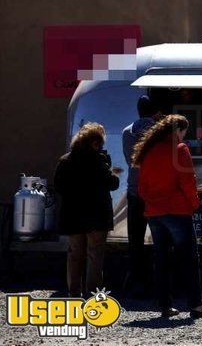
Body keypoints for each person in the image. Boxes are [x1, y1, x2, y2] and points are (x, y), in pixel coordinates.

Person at [132, 114, 202, 318]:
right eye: (183, 132)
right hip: (177, 210)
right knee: (189, 259)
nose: (184, 136)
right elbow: (187, 180)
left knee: (161, 259)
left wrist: (151, 203)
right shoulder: (180, 150)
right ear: (177, 131)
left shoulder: (148, 150)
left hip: (154, 213)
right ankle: (196, 306)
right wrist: (195, 203)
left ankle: (165, 306)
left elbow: (142, 186)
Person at [54, 122, 121, 297]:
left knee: (75, 254)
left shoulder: (65, 160)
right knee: (95, 255)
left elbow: (59, 187)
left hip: (73, 215)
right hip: (97, 216)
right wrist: (112, 172)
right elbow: (112, 184)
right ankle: (92, 293)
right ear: (95, 143)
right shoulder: (98, 160)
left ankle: (74, 292)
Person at [122, 95, 158, 295]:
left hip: (134, 188)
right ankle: (155, 280)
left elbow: (130, 160)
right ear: (154, 111)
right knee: (160, 236)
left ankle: (135, 278)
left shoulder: (127, 131)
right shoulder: (159, 132)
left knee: (135, 238)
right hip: (155, 191)